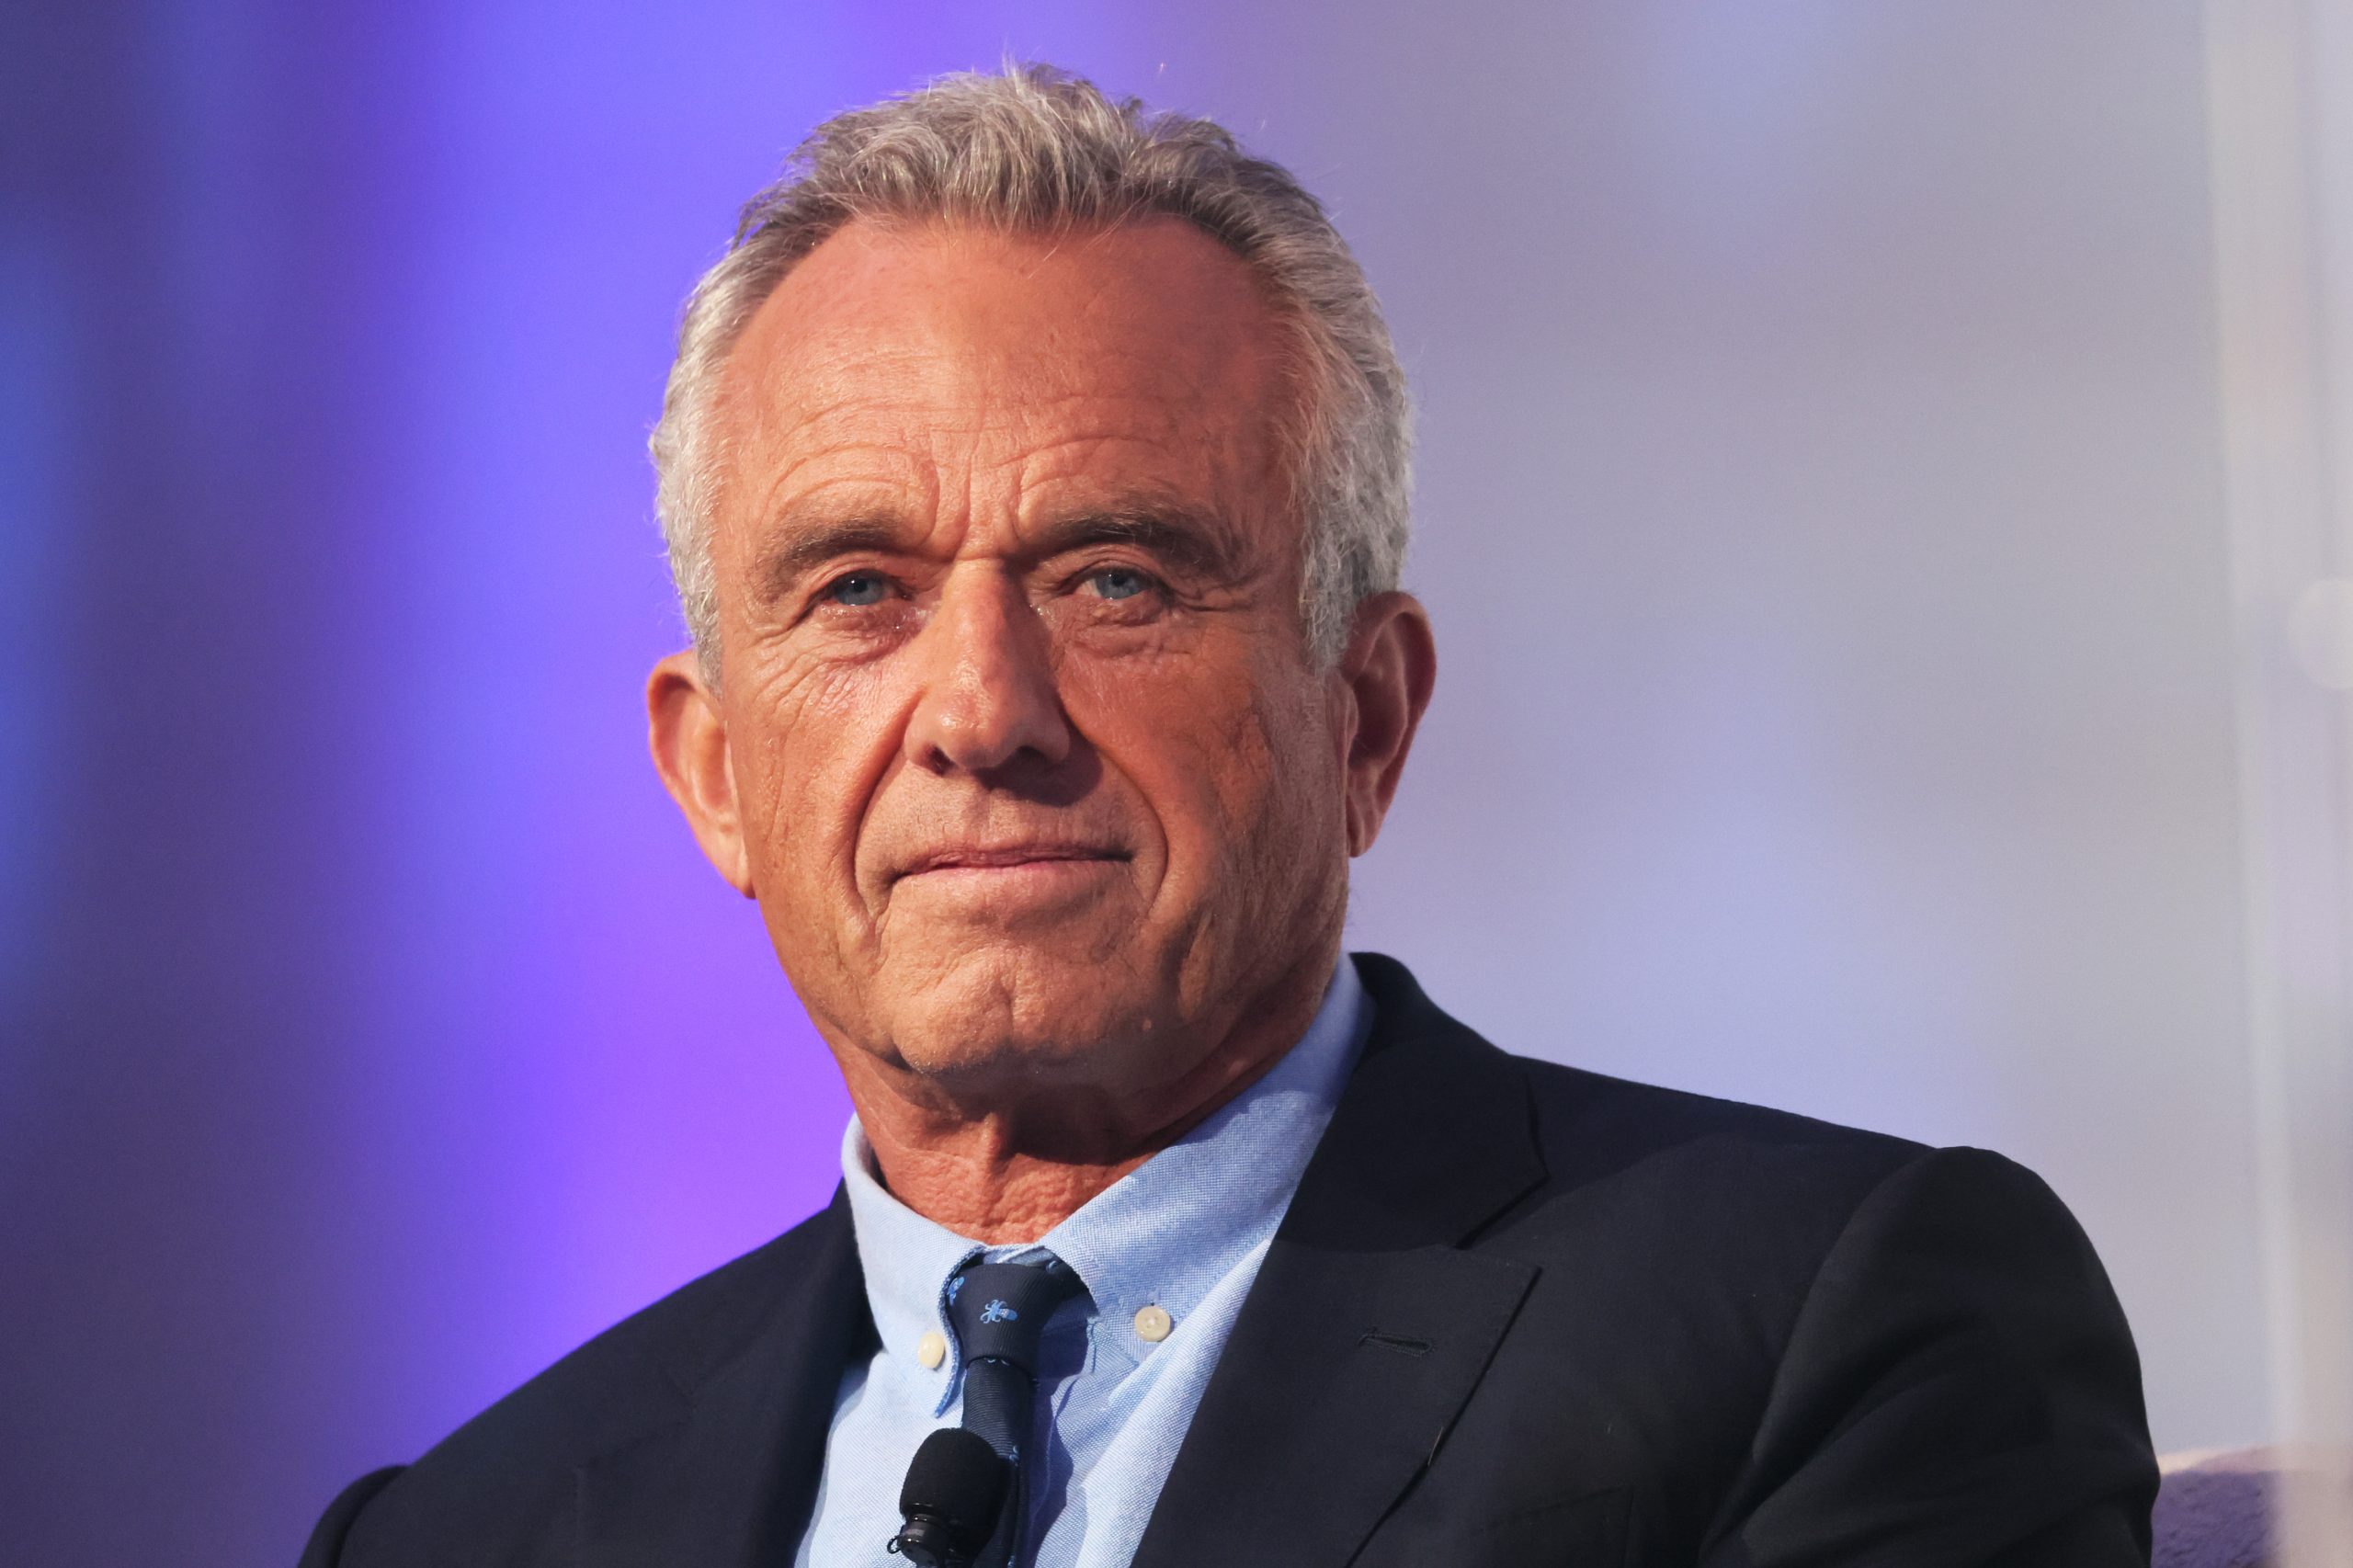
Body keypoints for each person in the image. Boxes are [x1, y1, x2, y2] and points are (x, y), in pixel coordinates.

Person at [300, 65, 2156, 1568]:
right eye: (859, 589)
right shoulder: (461, 1527)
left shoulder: (1822, 1333)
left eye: (1112, 578)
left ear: (1364, 714)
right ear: (714, 771)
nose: (980, 713)